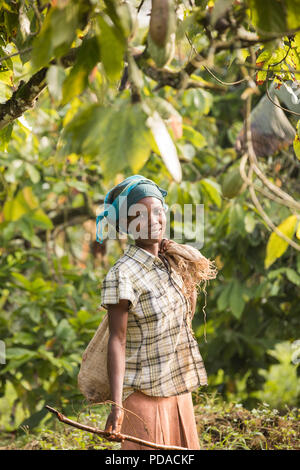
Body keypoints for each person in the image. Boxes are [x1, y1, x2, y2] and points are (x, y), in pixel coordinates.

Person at [96, 175, 217, 450]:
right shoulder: (122, 274)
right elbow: (117, 340)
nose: (154, 220)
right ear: (127, 224)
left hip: (177, 390)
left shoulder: (170, 263)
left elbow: (183, 319)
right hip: (142, 397)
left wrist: (176, 252)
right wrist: (117, 406)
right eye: (142, 215)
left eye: (159, 211)